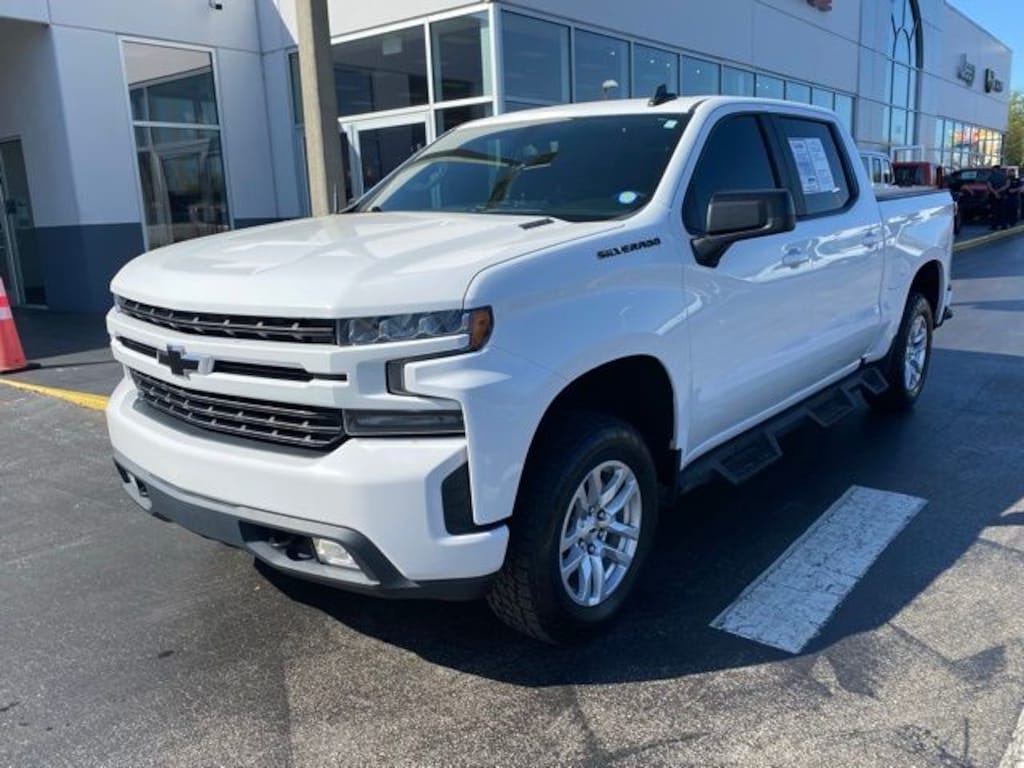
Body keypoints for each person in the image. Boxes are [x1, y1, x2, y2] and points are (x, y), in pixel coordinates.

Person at [988, 165, 1011, 230]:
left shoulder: (991, 176)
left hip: (993, 195)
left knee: (994, 210)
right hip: (1003, 195)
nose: (992, 170)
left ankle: (994, 225)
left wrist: (995, 192)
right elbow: (1007, 185)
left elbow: (989, 186)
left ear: (995, 169)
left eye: (993, 169)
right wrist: (1000, 191)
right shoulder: (1005, 176)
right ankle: (1004, 225)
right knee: (1003, 210)